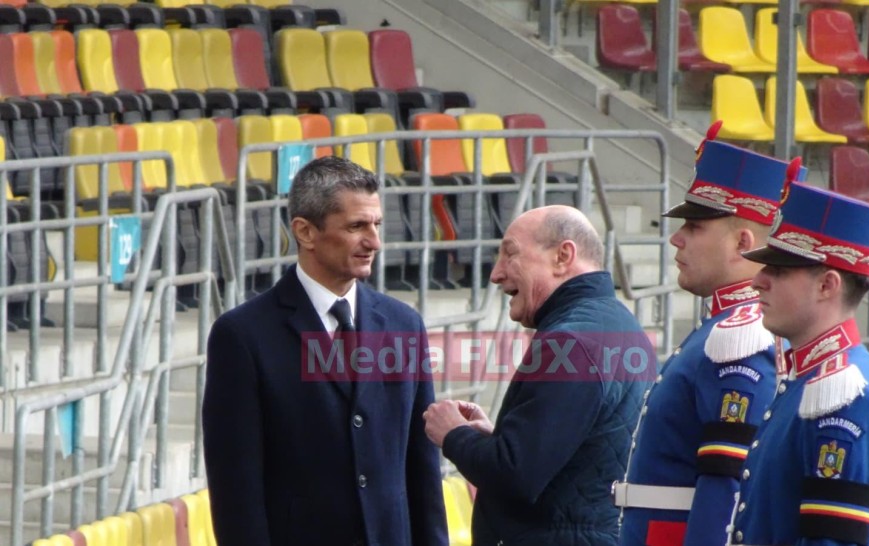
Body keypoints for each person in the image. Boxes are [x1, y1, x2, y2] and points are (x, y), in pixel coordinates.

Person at [202, 156, 448, 546]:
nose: (374, 242)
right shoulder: (243, 336)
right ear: (305, 232)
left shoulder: (404, 324)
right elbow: (236, 489)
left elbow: (421, 469)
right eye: (356, 227)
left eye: (377, 225)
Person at [423, 205, 655, 546]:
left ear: (563, 256)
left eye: (510, 254)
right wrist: (498, 437)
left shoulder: (570, 343)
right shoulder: (621, 326)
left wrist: (453, 434)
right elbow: (571, 452)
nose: (496, 274)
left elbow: (516, 476)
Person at [617, 124, 802, 546]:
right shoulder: (721, 328)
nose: (676, 238)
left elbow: (726, 487)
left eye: (696, 227)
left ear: (742, 242)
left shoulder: (741, 338)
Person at [730, 181, 869, 545]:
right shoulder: (810, 380)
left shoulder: (846, 397)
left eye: (778, 270)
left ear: (827, 285)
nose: (758, 280)